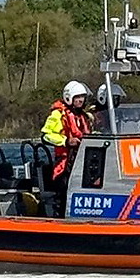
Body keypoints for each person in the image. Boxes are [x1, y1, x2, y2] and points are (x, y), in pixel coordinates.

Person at [40, 80, 93, 212]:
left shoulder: (83, 116)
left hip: (82, 160)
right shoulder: (59, 115)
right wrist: (66, 141)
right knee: (63, 190)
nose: (81, 101)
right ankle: (61, 214)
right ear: (70, 98)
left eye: (82, 97)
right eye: (78, 98)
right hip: (65, 161)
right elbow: (46, 135)